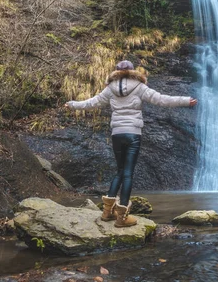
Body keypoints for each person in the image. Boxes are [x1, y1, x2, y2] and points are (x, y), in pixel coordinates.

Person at [64, 60, 197, 227]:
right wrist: (185, 100)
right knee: (128, 173)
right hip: (133, 133)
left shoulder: (109, 89)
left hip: (117, 134)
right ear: (132, 71)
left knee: (119, 171)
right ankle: (122, 217)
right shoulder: (139, 87)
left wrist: (72, 104)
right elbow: (161, 100)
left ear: (116, 72)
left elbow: (91, 103)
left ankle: (107, 212)